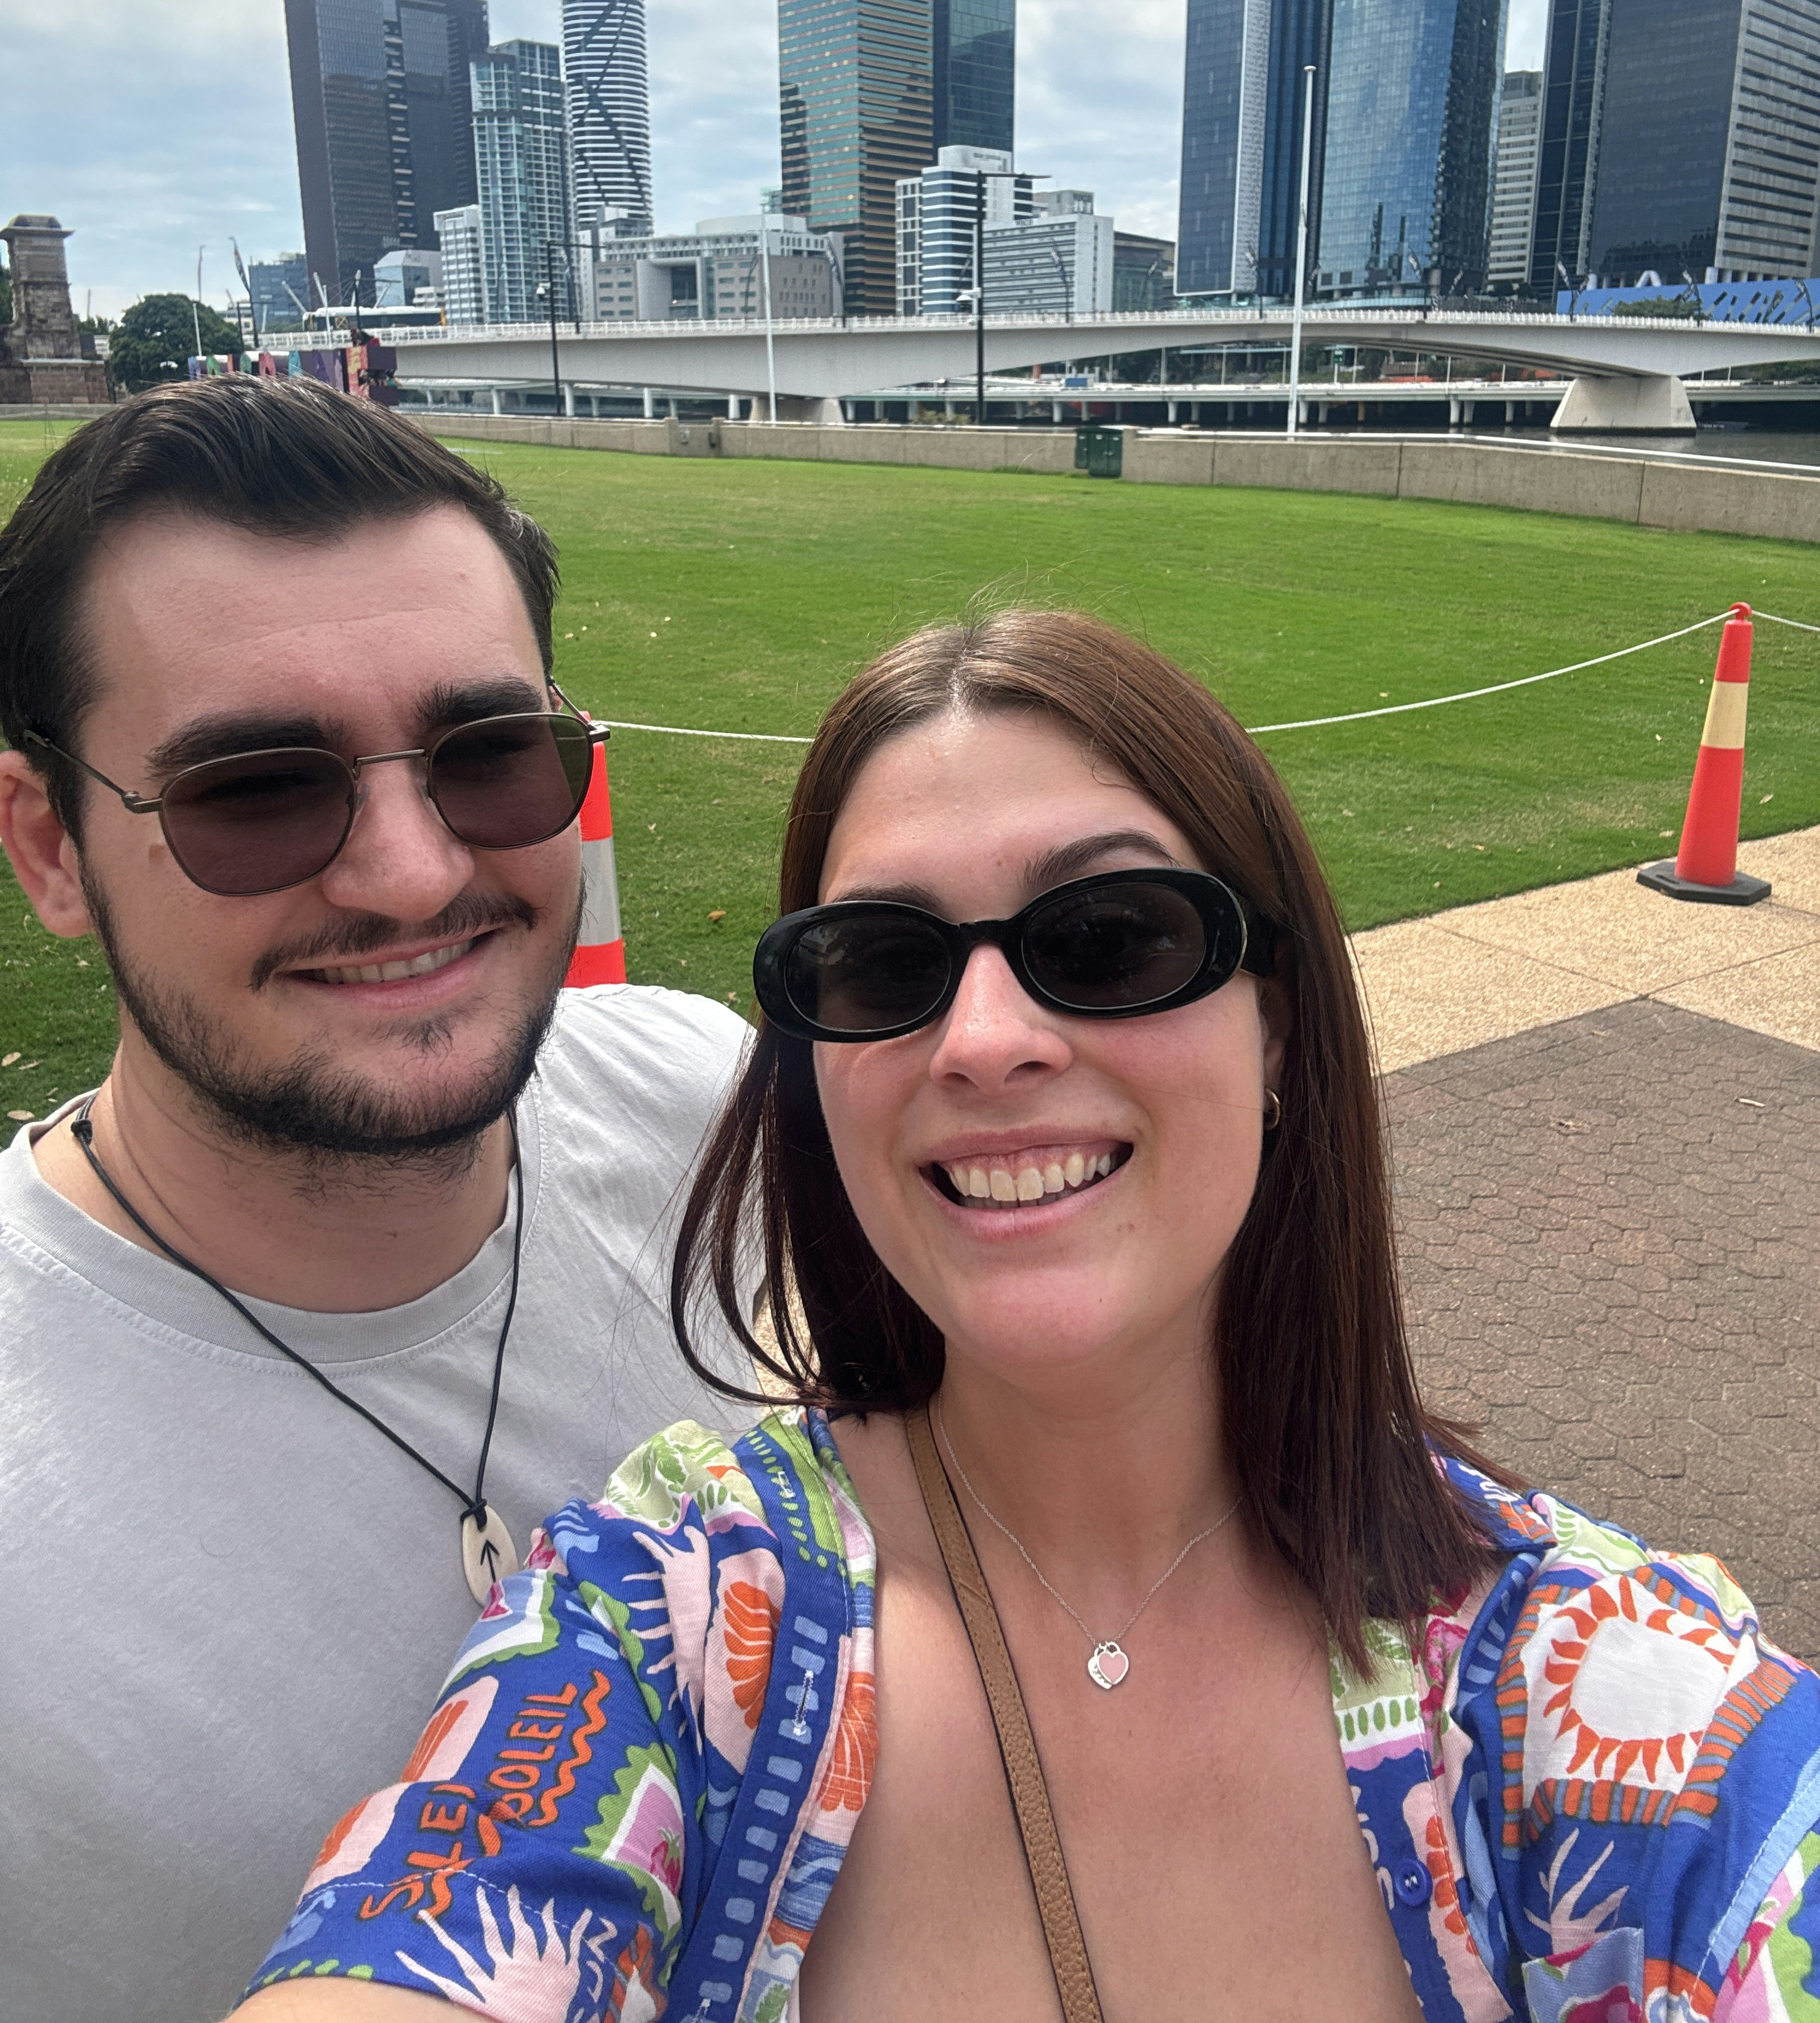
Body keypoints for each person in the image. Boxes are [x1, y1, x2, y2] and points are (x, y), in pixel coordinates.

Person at [240, 609, 1820, 2023]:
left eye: (1113, 942)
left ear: (1278, 1025)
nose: (987, 1041)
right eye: (880, 966)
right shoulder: (660, 1627)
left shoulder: (1623, 1696)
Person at [0, 377, 749, 2022]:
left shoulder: (712, 1111)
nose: (413, 874)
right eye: (258, 790)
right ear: (47, 843)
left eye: (489, 754)